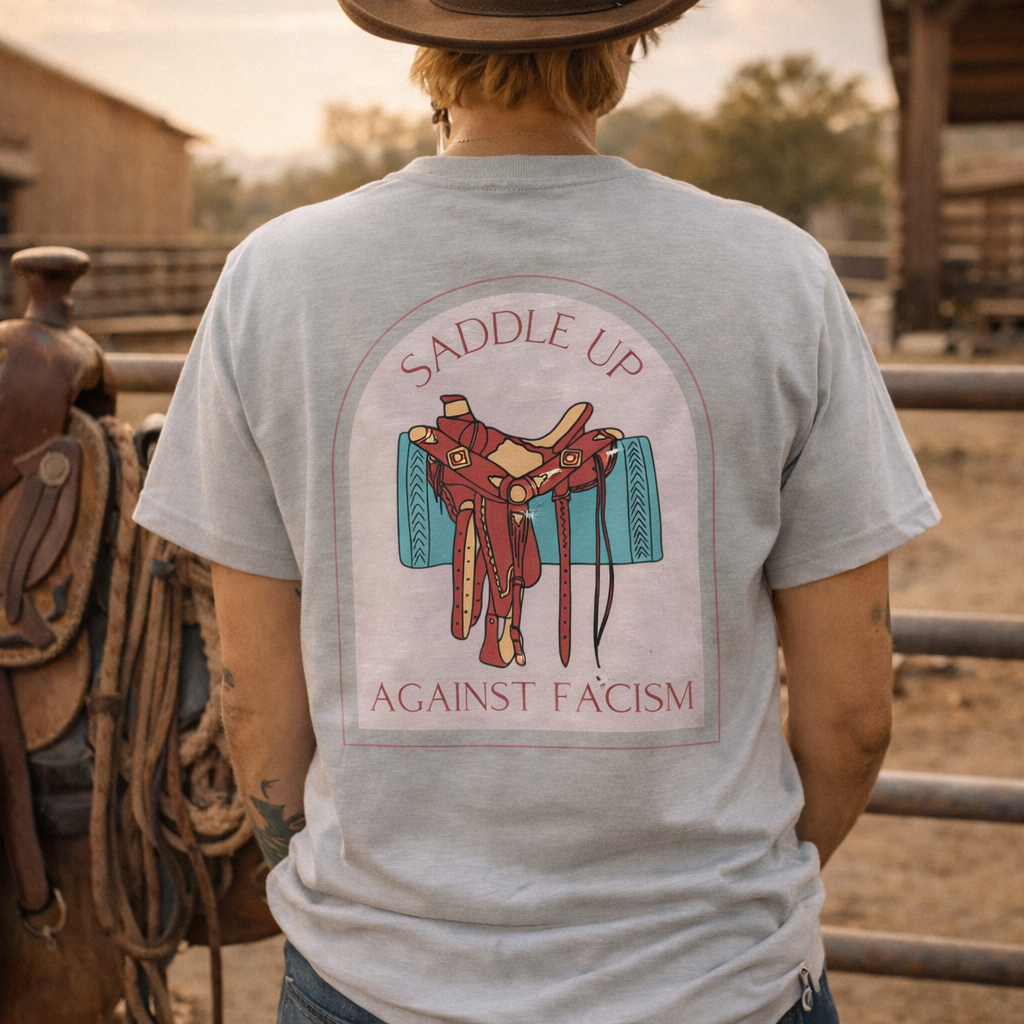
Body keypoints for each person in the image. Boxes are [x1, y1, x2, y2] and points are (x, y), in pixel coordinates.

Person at [134, 1, 940, 1022]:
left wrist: (339, 886)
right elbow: (852, 712)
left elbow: (254, 699)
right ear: (625, 37)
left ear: (427, 43)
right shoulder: (775, 274)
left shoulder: (275, 279)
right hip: (713, 979)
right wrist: (734, 900)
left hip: (374, 978)